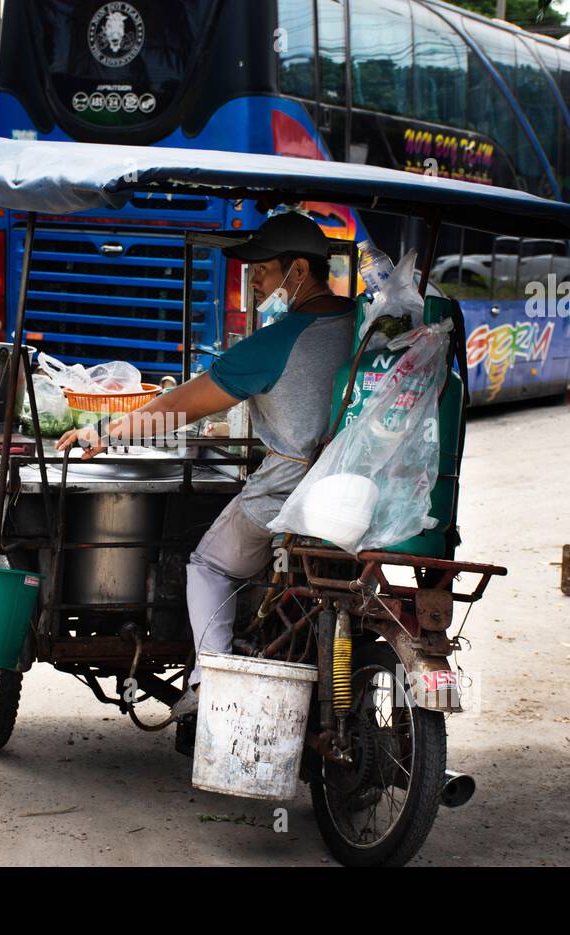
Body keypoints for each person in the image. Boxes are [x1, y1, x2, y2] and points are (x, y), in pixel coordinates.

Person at [56, 212, 355, 718]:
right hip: (359, 495)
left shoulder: (277, 341)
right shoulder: (361, 323)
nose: (253, 282)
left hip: (291, 495)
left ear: (299, 270)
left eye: (261, 269)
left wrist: (105, 432)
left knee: (210, 563)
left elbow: (175, 408)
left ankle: (210, 685)